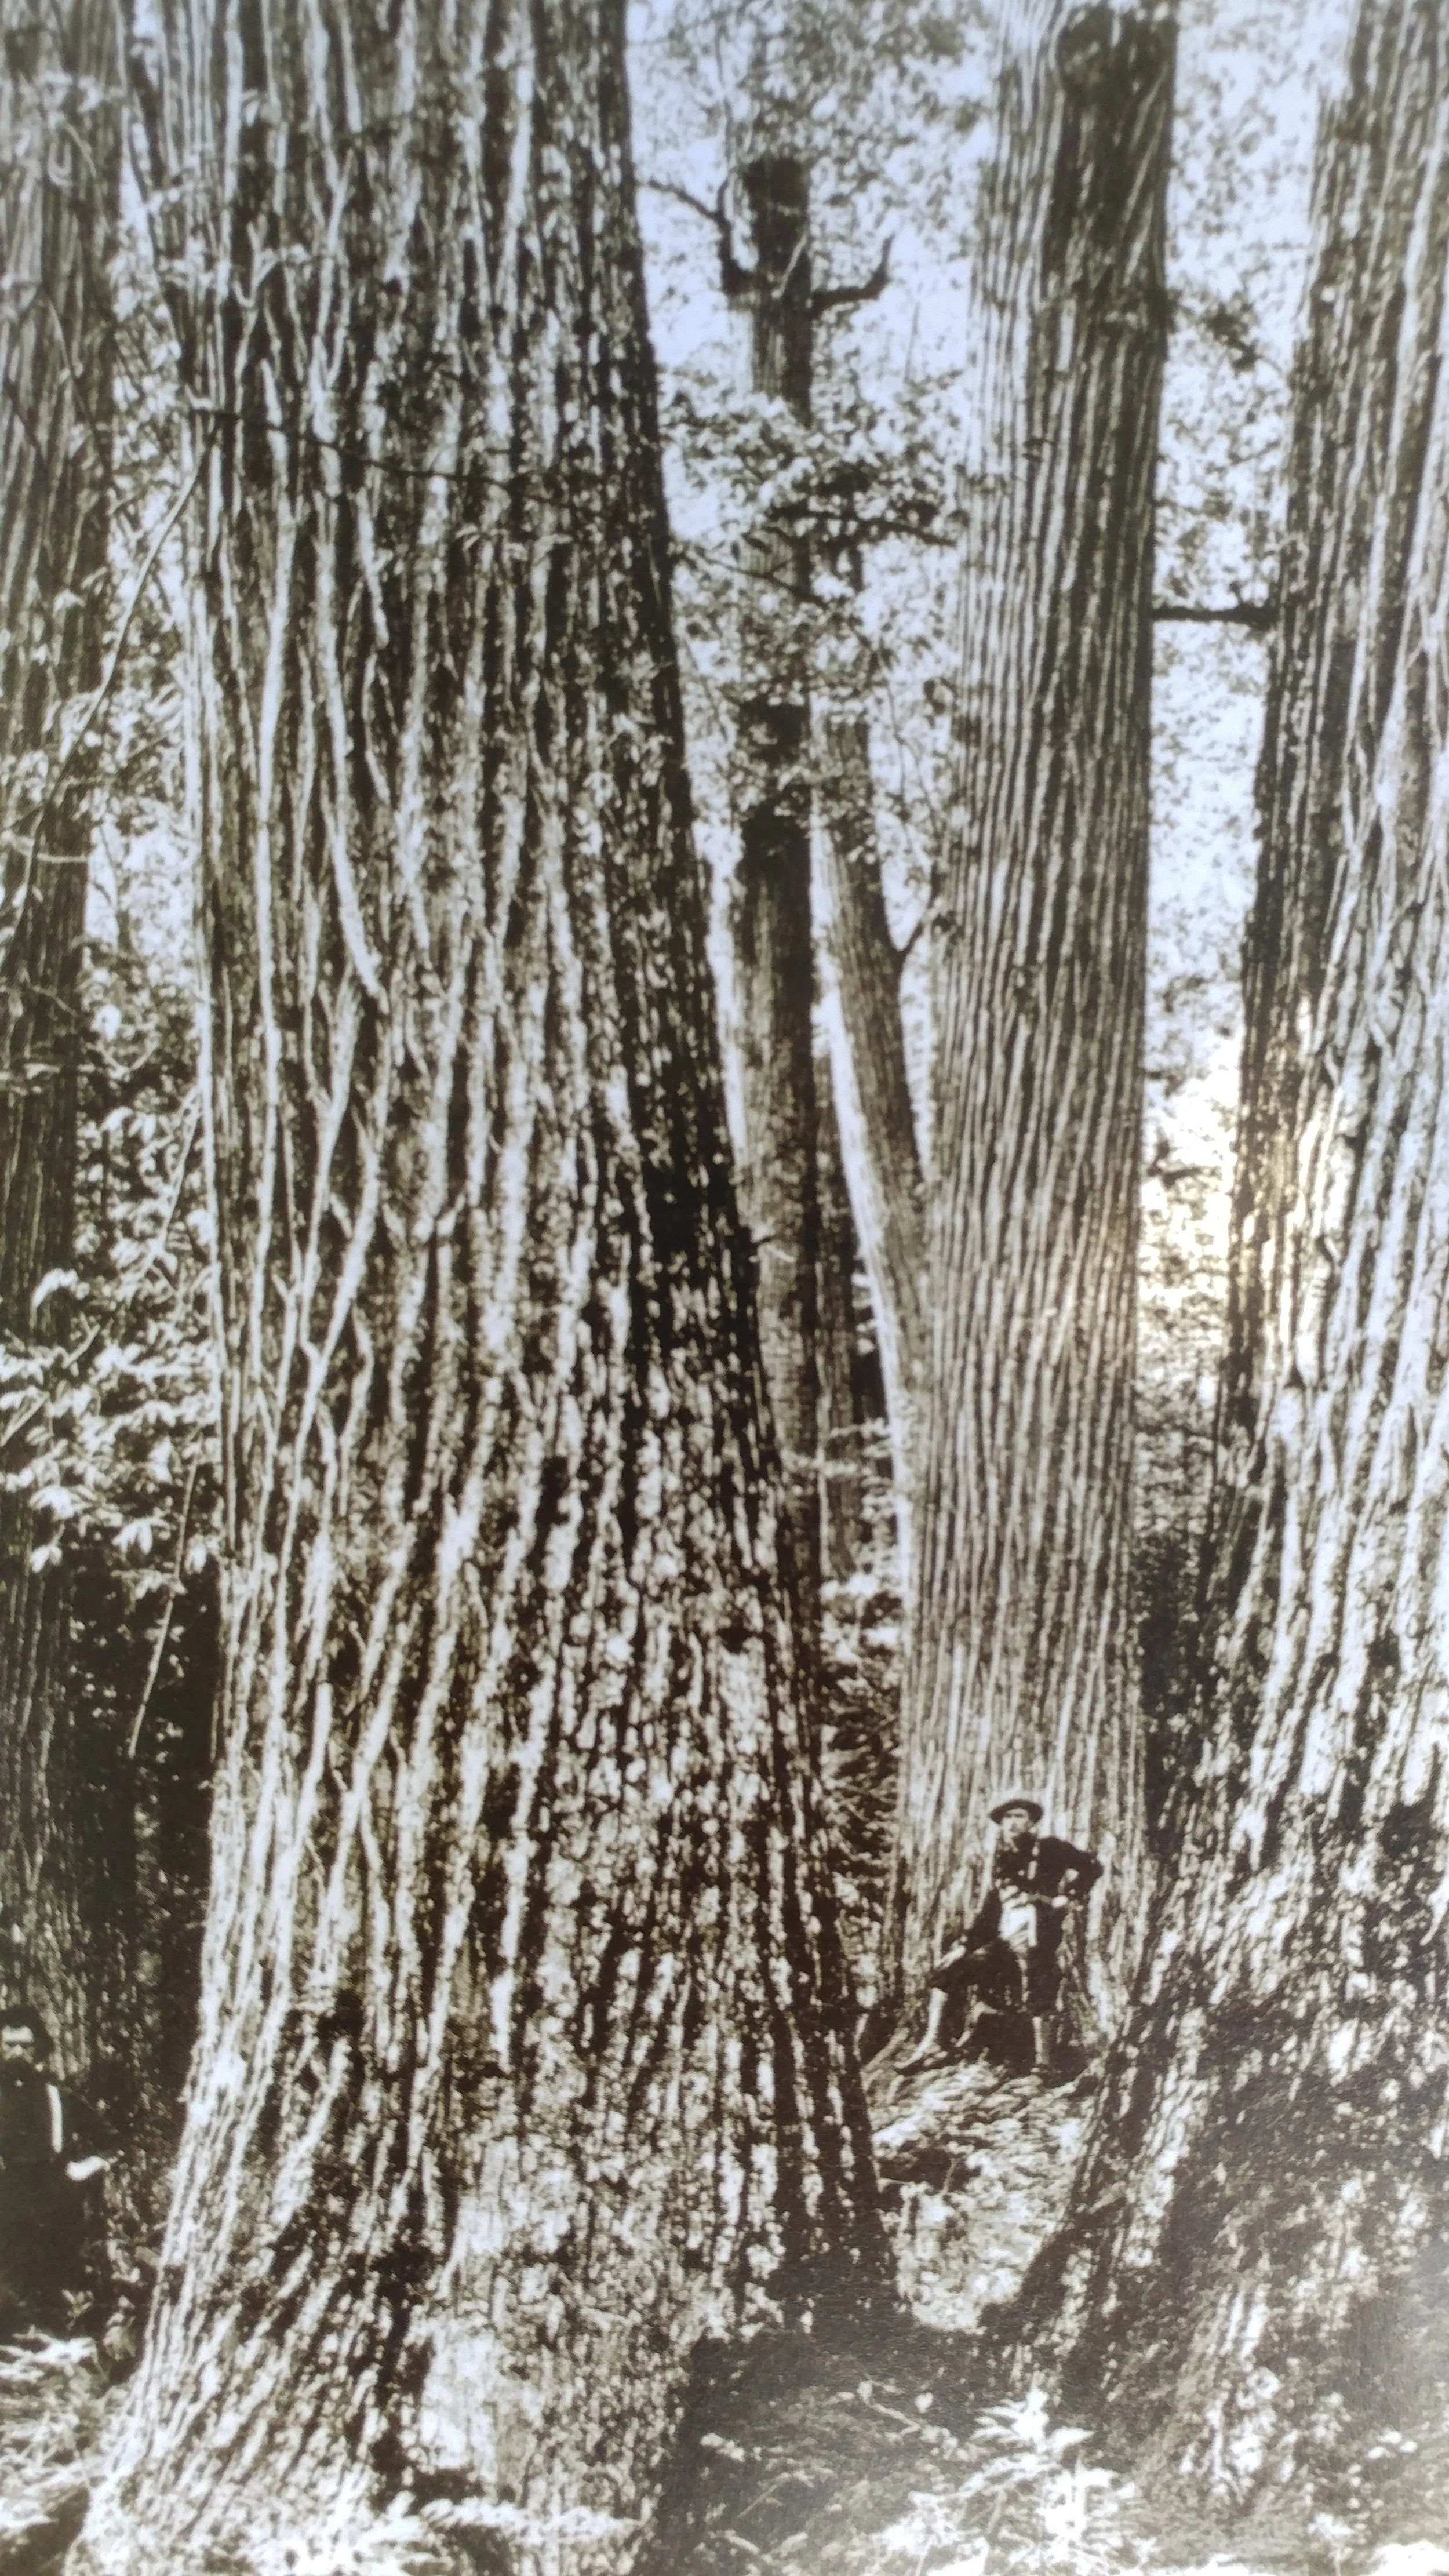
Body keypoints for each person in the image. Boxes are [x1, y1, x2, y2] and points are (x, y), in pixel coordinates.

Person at [902, 1794, 1102, 2075]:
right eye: (1007, 1818)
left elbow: (1092, 1866)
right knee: (948, 1973)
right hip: (1006, 1937)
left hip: (1039, 1935)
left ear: (1031, 1822)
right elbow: (992, 1907)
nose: (1012, 1823)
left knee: (1039, 1984)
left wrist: (1069, 1897)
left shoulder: (1050, 1848)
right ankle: (935, 2042)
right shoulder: (1002, 1856)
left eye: (1019, 1816)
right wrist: (965, 1945)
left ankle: (1044, 2062)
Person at [0, 2008, 110, 2333]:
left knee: (52, 2284)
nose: (16, 2052)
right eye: (8, 2045)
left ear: (38, 2049)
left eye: (25, 2045)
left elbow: (108, 2141)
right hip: (4, 2202)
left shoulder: (57, 2095)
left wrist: (83, 2167)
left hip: (51, 2201)